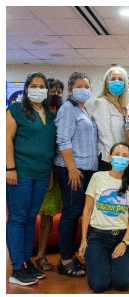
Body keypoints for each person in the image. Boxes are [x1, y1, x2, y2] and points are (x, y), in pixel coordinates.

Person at [6, 72, 56, 285]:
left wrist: (51, 174)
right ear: (26, 89)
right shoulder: (16, 110)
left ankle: (26, 262)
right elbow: (6, 139)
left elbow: (50, 147)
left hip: (42, 174)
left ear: (47, 90)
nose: (38, 89)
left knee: (29, 218)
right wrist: (9, 168)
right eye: (33, 85)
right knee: (18, 218)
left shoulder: (50, 114)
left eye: (42, 85)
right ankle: (17, 268)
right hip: (20, 173)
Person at [78, 143, 129, 292]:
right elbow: (87, 209)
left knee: (123, 284)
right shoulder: (97, 177)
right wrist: (84, 239)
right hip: (98, 236)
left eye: (125, 156)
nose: (120, 158)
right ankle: (103, 264)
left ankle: (111, 265)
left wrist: (125, 242)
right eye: (117, 154)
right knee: (99, 285)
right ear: (110, 157)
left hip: (122, 237)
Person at [54, 71, 98, 278]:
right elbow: (63, 140)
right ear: (71, 89)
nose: (85, 89)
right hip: (72, 170)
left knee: (78, 212)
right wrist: (71, 168)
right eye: (80, 86)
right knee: (71, 213)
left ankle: (72, 256)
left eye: (87, 86)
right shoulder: (67, 109)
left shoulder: (85, 110)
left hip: (87, 169)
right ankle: (65, 260)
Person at [35, 78, 65, 272]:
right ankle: (39, 255)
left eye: (59, 91)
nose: (56, 94)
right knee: (43, 215)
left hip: (62, 168)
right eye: (52, 91)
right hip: (41, 169)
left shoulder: (62, 113)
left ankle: (66, 256)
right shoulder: (38, 115)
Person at [93, 66, 129, 171]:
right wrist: (115, 157)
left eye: (120, 79)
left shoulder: (124, 106)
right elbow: (105, 134)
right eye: (113, 79)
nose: (117, 82)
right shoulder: (102, 103)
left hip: (122, 159)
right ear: (107, 84)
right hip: (108, 158)